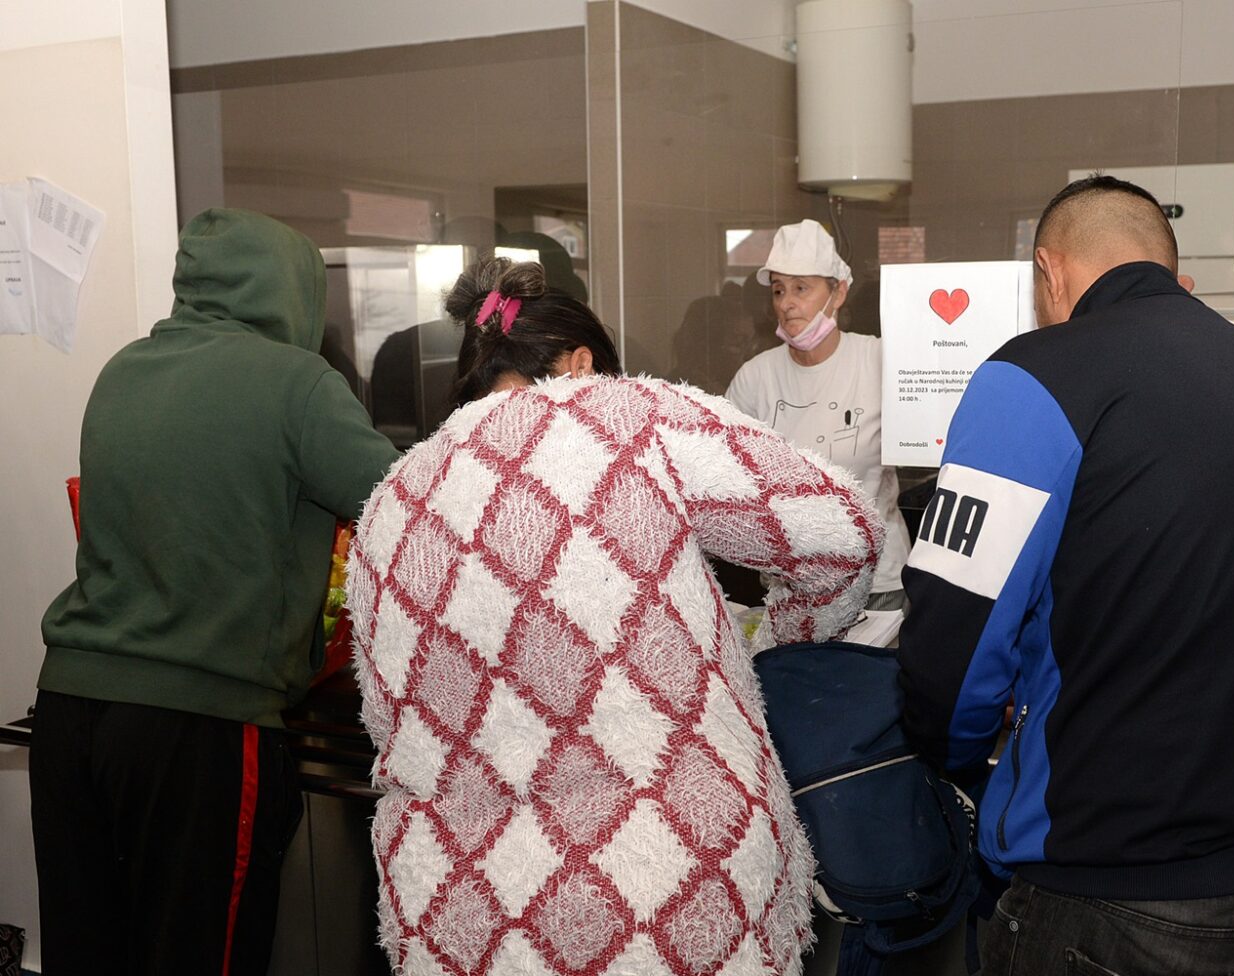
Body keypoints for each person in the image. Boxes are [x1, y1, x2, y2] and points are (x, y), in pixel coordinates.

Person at [348, 257, 884, 976]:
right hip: (670, 888)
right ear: (581, 365)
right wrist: (787, 644)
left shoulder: (397, 496)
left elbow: (389, 721)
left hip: (467, 914)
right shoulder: (627, 417)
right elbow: (840, 530)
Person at [897, 176, 1234, 976]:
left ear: (1049, 272)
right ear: (1174, 272)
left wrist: (955, 756)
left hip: (1114, 899)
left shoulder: (1034, 376)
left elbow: (955, 644)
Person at [31, 208, 400, 975]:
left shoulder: (124, 370)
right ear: (294, 290)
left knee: (88, 954)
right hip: (198, 724)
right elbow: (412, 504)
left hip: (71, 710)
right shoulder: (298, 383)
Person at [727, 219, 911, 610]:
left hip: (876, 585)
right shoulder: (756, 378)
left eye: (801, 288)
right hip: (790, 588)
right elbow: (726, 474)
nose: (786, 303)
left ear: (838, 292)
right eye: (778, 290)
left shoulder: (879, 361)